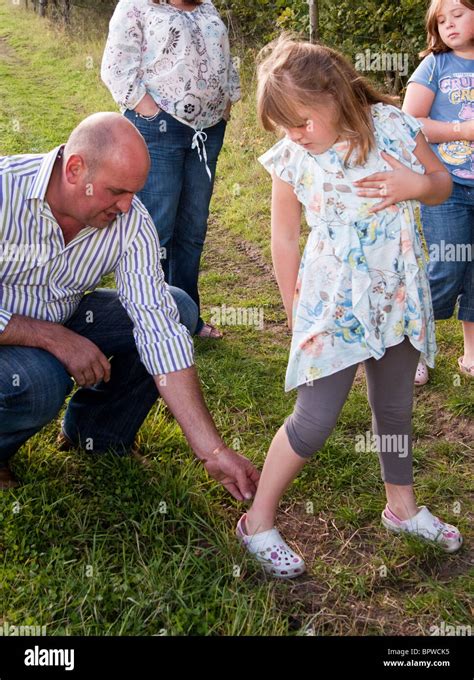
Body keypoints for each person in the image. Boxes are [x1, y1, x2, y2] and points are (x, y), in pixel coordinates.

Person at [236, 36, 462, 579]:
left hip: (398, 293)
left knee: (394, 409)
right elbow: (285, 240)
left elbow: (443, 185)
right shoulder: (293, 156)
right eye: (284, 127)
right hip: (332, 303)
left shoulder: (394, 127)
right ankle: (257, 520)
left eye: (301, 122)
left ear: (335, 96)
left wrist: (415, 184)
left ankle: (401, 507)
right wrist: (295, 315)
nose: (293, 135)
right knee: (313, 421)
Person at [0, 112, 259, 501]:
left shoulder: (130, 221)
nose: (126, 207)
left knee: (177, 308)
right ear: (74, 169)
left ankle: (96, 433)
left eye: (134, 193)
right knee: (40, 381)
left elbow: (158, 327)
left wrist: (213, 451)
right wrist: (49, 337)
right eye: (116, 192)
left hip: (64, 316)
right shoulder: (6, 191)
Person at [101, 0, 241, 339]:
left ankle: (187, 317)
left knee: (192, 228)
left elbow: (225, 60)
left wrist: (226, 102)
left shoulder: (207, 8)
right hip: (157, 130)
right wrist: (150, 112)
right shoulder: (136, 6)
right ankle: (151, 320)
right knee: (157, 229)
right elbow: (116, 68)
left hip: (208, 132)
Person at [403, 0, 474, 385]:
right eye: (441, 20)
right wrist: (462, 131)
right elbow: (410, 122)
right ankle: (411, 349)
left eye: (458, 15)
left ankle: (470, 355)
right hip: (446, 186)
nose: (449, 25)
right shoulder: (435, 65)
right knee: (447, 267)